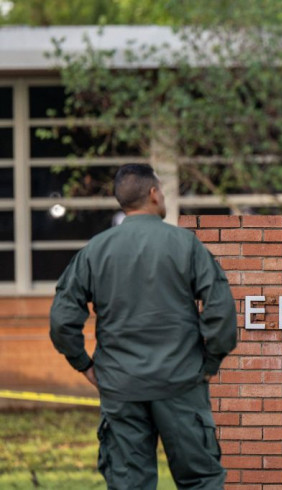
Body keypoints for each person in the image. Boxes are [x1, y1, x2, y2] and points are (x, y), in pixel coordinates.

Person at [50, 164, 238, 489]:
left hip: (121, 386)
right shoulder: (186, 245)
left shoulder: (95, 250)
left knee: (128, 484)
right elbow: (221, 311)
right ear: (153, 194)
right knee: (201, 481)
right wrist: (210, 363)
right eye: (162, 190)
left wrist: (84, 365)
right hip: (181, 383)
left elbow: (62, 320)